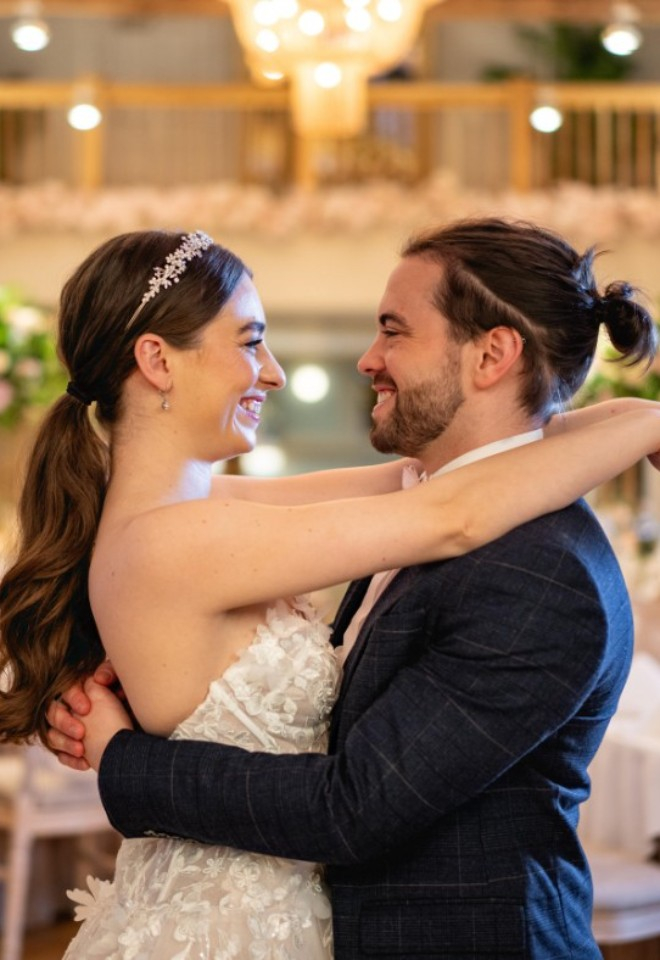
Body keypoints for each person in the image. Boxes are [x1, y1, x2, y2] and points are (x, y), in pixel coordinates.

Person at [12, 220, 660, 960]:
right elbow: (447, 512)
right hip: (230, 929)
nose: (277, 372)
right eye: (251, 341)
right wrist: (646, 423)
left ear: (493, 355)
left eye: (393, 330)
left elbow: (429, 485)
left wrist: (623, 419)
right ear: (157, 361)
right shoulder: (176, 538)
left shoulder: (211, 512)